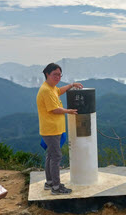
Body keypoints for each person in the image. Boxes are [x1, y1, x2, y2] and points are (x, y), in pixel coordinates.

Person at [37, 63, 83, 195]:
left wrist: (71, 85)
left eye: (59, 74)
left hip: (52, 129)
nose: (57, 77)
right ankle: (56, 187)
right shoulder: (46, 90)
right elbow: (54, 109)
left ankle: (50, 182)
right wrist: (68, 111)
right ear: (47, 74)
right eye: (55, 74)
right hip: (51, 130)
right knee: (56, 156)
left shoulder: (51, 88)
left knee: (51, 155)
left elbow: (59, 91)